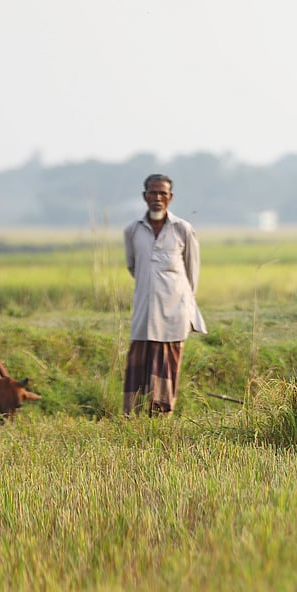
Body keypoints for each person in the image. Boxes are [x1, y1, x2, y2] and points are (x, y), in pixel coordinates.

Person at [123, 174, 206, 415]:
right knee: (137, 367)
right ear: (144, 196)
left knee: (167, 368)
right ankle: (133, 418)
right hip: (143, 312)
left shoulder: (183, 229)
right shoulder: (133, 230)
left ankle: (161, 418)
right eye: (152, 192)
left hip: (173, 312)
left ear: (170, 198)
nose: (157, 198)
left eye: (162, 193)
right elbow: (133, 267)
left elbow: (192, 274)